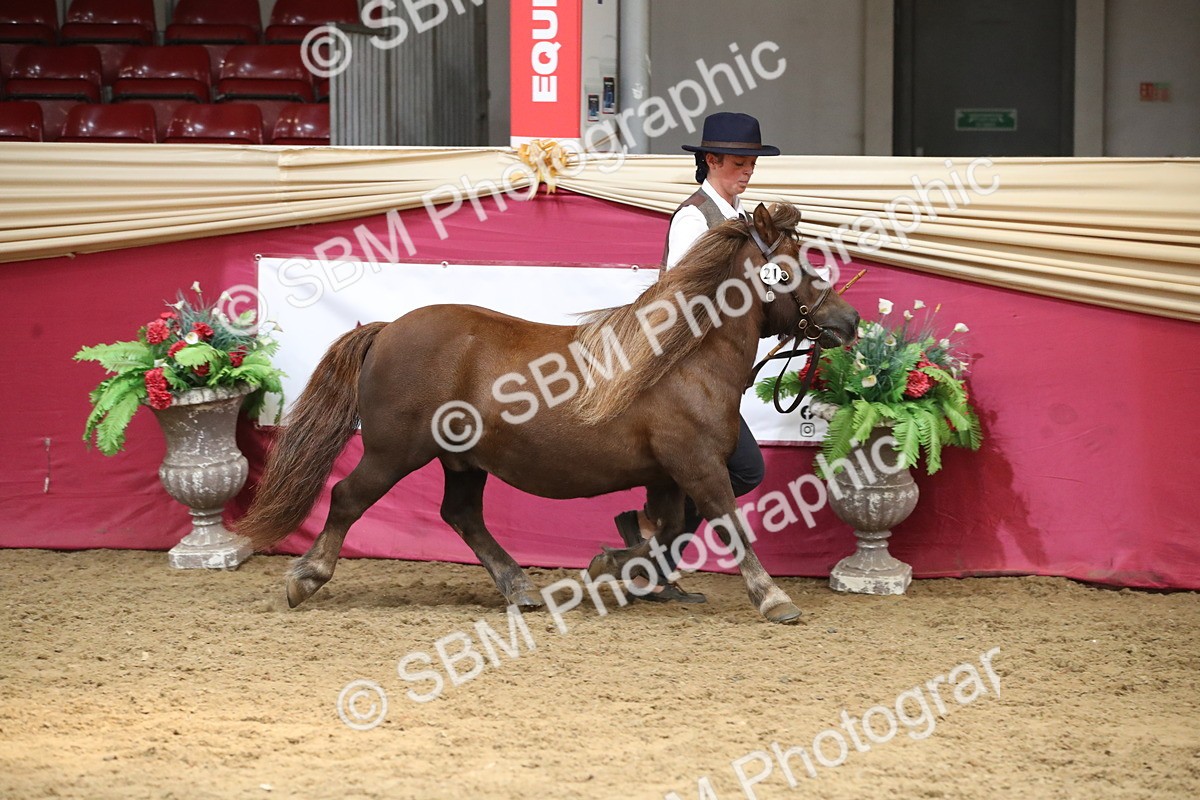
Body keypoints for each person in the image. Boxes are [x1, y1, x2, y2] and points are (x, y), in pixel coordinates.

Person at [615, 112, 780, 603]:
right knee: (742, 469)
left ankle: (650, 546)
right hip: (682, 367)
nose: (747, 171)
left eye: (751, 162)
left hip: (710, 370)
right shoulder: (694, 217)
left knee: (717, 471)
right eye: (737, 162)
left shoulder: (740, 220)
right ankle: (649, 533)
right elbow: (688, 293)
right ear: (710, 160)